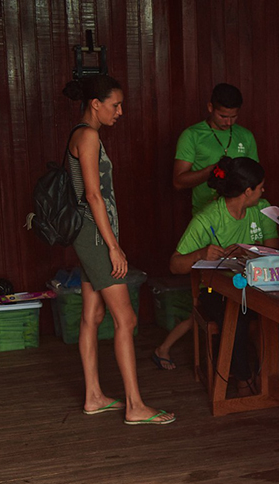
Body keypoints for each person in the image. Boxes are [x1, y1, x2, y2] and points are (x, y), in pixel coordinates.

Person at [63, 74, 174, 426]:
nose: (120, 111)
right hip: (96, 238)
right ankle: (135, 405)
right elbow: (94, 196)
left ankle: (94, 397)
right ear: (96, 104)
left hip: (88, 235)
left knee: (92, 317)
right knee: (126, 319)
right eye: (115, 104)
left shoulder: (79, 134)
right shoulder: (89, 136)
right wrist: (114, 248)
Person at [169, 156, 279, 393]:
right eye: (260, 187)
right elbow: (175, 265)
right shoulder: (208, 217)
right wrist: (200, 253)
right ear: (247, 191)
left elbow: (275, 252)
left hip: (257, 287)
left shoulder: (262, 209)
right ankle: (244, 379)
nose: (263, 191)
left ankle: (268, 378)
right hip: (216, 291)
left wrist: (250, 252)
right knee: (236, 318)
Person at [174, 83, 258, 215]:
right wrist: (211, 171)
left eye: (233, 117)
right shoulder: (192, 135)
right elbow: (178, 182)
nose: (229, 123)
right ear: (210, 107)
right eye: (223, 116)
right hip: (206, 214)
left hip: (241, 214)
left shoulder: (246, 136)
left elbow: (256, 178)